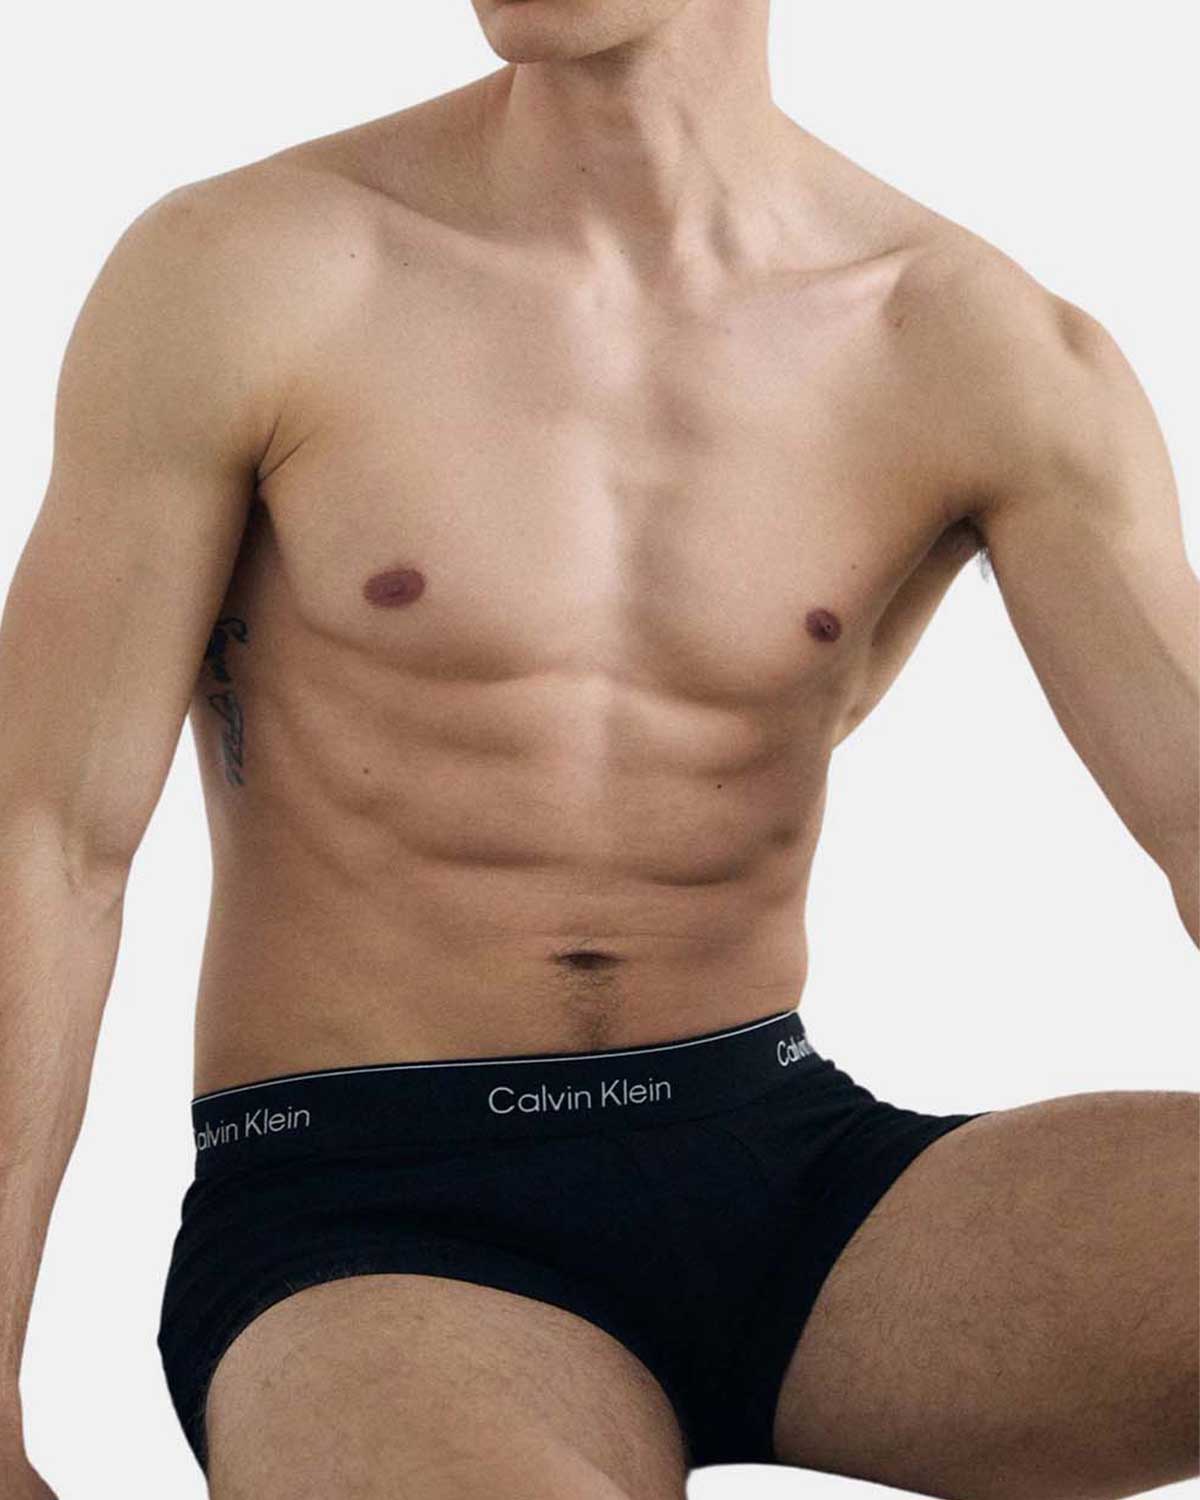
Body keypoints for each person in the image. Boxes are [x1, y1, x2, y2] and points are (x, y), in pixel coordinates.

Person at [1, 1, 1196, 1496]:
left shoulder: (970, 341)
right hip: (372, 1219)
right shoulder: (255, 272)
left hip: (783, 1169)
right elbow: (48, 840)